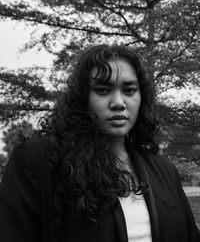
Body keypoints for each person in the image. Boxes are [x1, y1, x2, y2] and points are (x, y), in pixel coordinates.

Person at [0, 44, 199, 242]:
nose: (119, 102)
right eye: (103, 90)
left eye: (129, 90)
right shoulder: (39, 161)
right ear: (83, 98)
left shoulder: (163, 169)